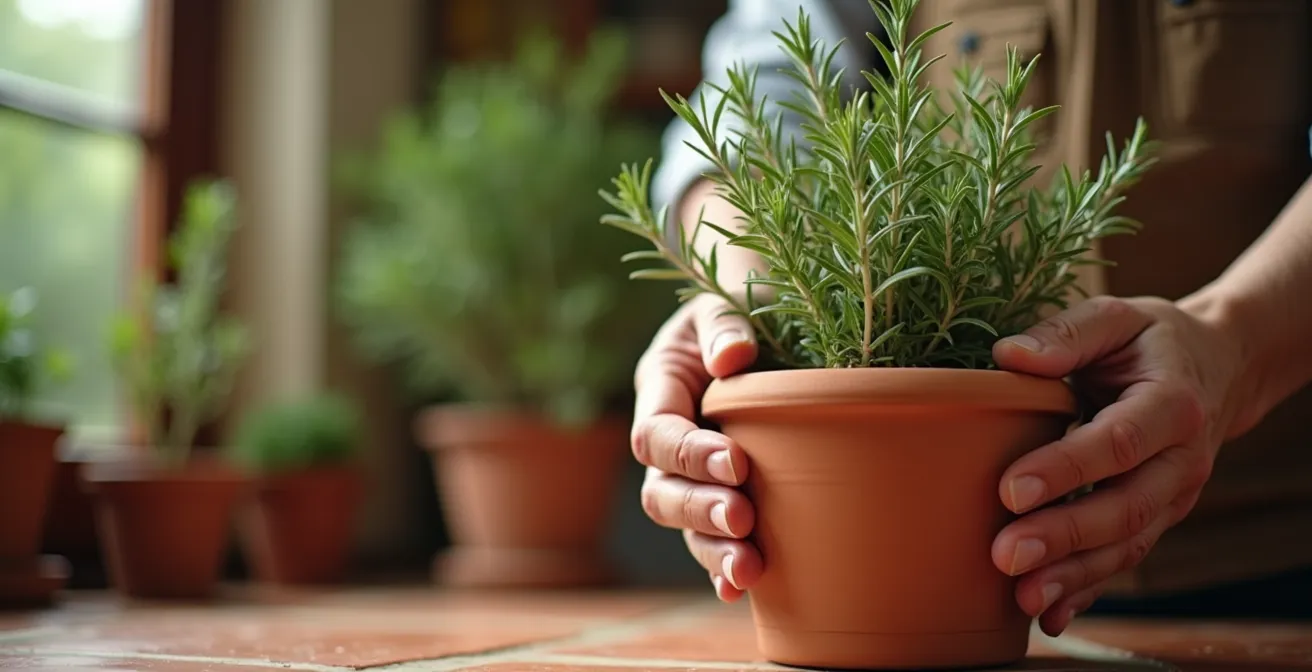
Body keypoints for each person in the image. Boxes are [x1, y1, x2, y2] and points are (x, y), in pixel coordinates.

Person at [630, 0, 1312, 638]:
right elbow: (767, 77)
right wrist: (745, 303)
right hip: (934, 576)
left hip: (1275, 553)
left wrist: (1233, 341)